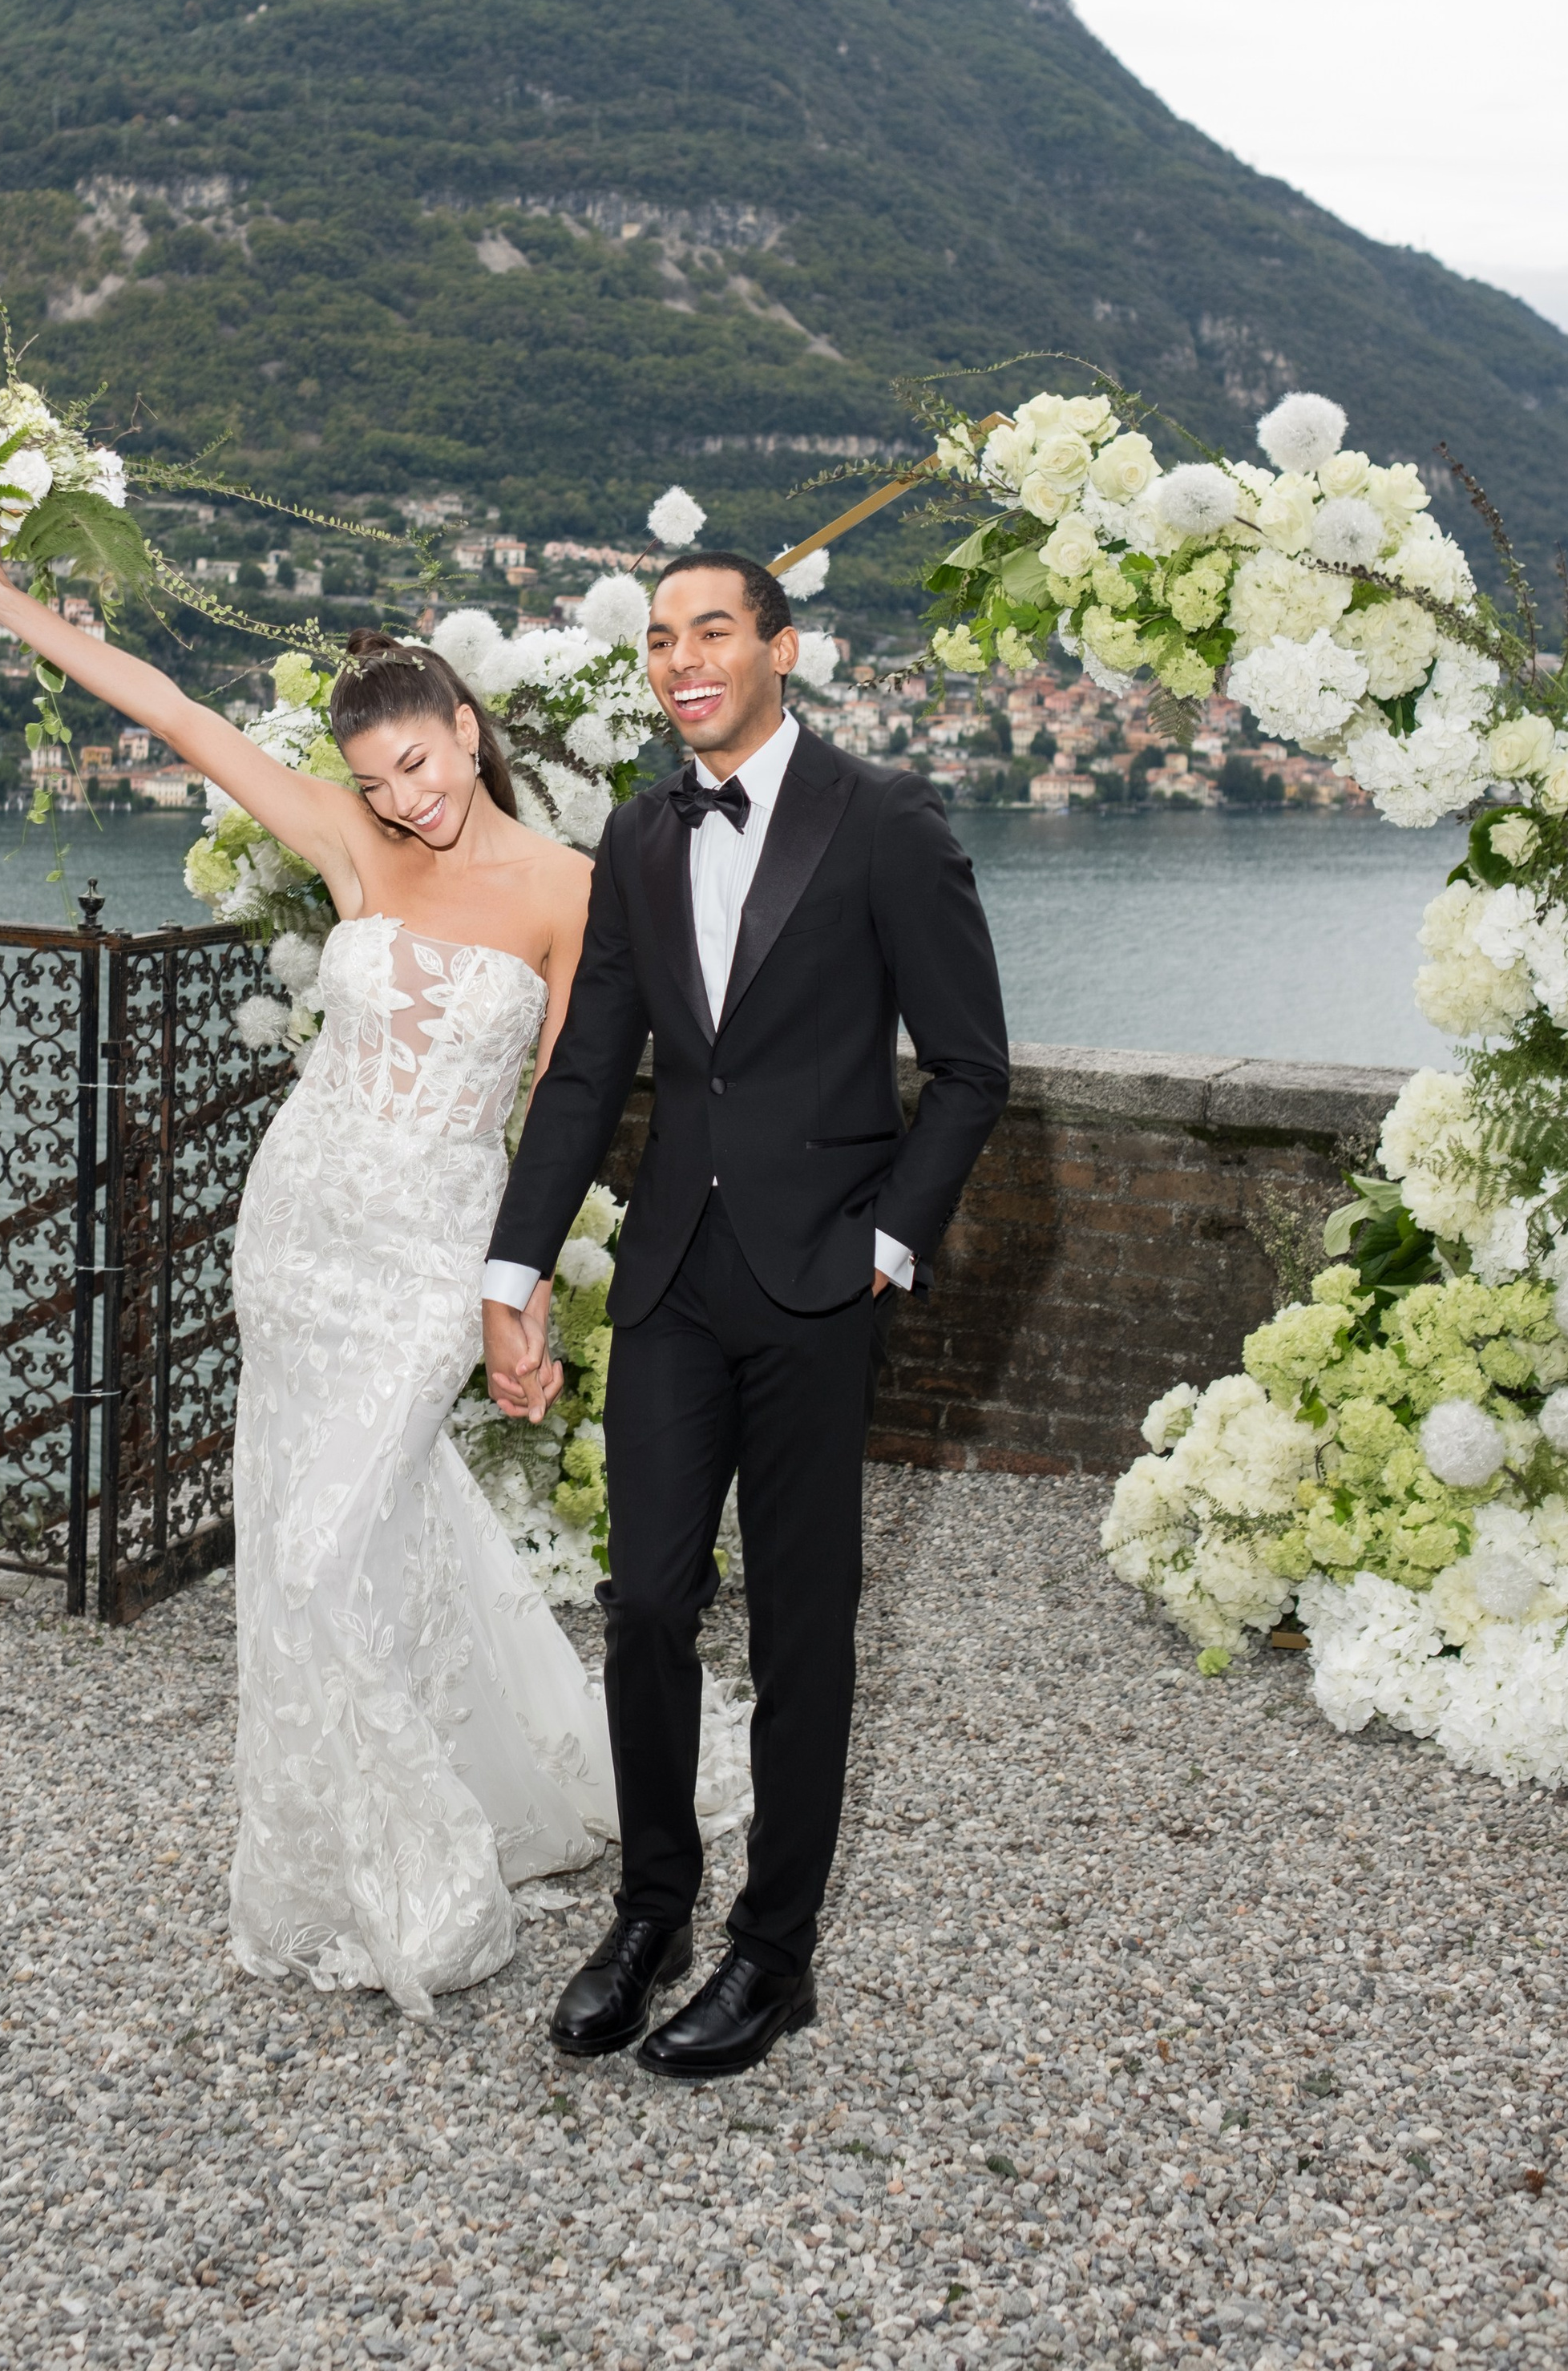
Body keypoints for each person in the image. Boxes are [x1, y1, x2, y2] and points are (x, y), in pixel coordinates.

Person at [0, 539, 640, 2018]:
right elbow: (180, 719)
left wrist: (515, 1301)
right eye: (378, 778)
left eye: (419, 762)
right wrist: (17, 606)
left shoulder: (574, 890)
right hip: (299, 1234)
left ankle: (427, 1862)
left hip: (426, 1256)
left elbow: (563, 1112)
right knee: (336, 1531)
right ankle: (365, 1840)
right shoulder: (353, 845)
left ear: (469, 728)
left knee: (330, 1544)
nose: (405, 799)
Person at [483, 550, 1009, 2078]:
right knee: (644, 1599)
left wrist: (889, 1246)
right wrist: (512, 1275)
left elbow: (971, 1068)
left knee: (802, 1627)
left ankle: (775, 1957)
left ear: (784, 647)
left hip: (816, 1283)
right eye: (660, 639)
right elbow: (590, 1071)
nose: (681, 659)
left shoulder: (888, 820)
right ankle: (653, 1911)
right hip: (669, 1278)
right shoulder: (641, 835)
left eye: (712, 630)